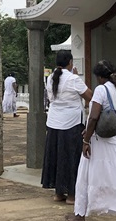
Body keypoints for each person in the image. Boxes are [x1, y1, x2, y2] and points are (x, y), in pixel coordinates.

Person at [72, 60, 116, 221]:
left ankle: (80, 214)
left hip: (100, 142)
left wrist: (86, 141)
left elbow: (94, 116)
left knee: (86, 176)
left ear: (100, 77)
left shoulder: (101, 90)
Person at [42, 50, 92, 205]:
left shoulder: (51, 77)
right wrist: (77, 77)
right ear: (70, 62)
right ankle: (71, 194)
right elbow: (90, 96)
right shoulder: (73, 79)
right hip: (71, 123)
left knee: (57, 156)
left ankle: (58, 192)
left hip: (54, 122)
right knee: (71, 158)